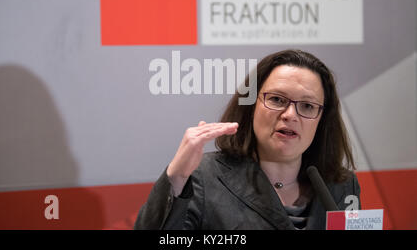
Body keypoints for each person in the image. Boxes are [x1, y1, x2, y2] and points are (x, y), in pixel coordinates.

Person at [134, 49, 361, 230]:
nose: (290, 115)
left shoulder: (342, 185)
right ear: (251, 106)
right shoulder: (202, 178)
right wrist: (176, 177)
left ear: (321, 119)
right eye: (276, 99)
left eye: (308, 106)